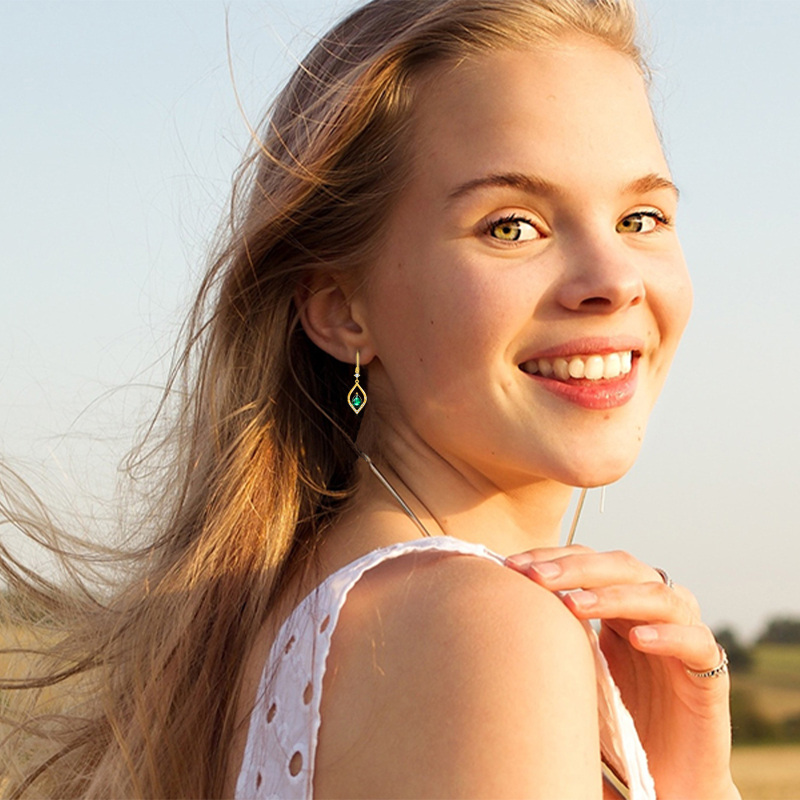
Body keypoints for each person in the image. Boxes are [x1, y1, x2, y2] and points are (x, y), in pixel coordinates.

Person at [0, 0, 740, 798]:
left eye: (642, 216)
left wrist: (686, 772)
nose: (614, 280)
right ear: (340, 308)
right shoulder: (483, 631)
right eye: (511, 226)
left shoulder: (275, 617)